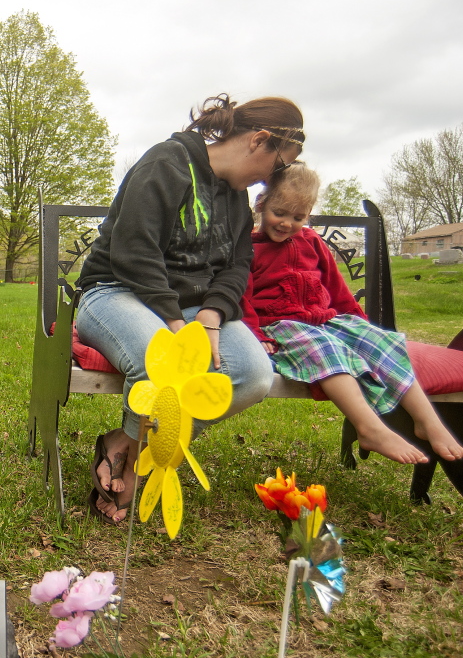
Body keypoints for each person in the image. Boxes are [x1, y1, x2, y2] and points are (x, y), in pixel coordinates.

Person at [76, 94, 301, 523]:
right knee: (156, 360)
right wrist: (177, 324)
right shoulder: (168, 162)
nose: (272, 180)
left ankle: (125, 444)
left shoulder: (235, 196)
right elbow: (133, 251)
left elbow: (238, 265)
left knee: (253, 376)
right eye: (278, 167)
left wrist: (212, 316)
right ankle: (138, 457)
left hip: (194, 309)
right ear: (259, 140)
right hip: (115, 292)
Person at [241, 162, 463, 465]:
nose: (286, 223)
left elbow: (337, 289)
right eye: (279, 213)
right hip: (280, 325)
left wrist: (359, 325)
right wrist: (255, 334)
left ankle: (428, 421)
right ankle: (369, 427)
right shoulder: (251, 249)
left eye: (298, 217)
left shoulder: (313, 243)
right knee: (327, 349)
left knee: (380, 342)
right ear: (261, 204)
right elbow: (242, 297)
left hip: (324, 320)